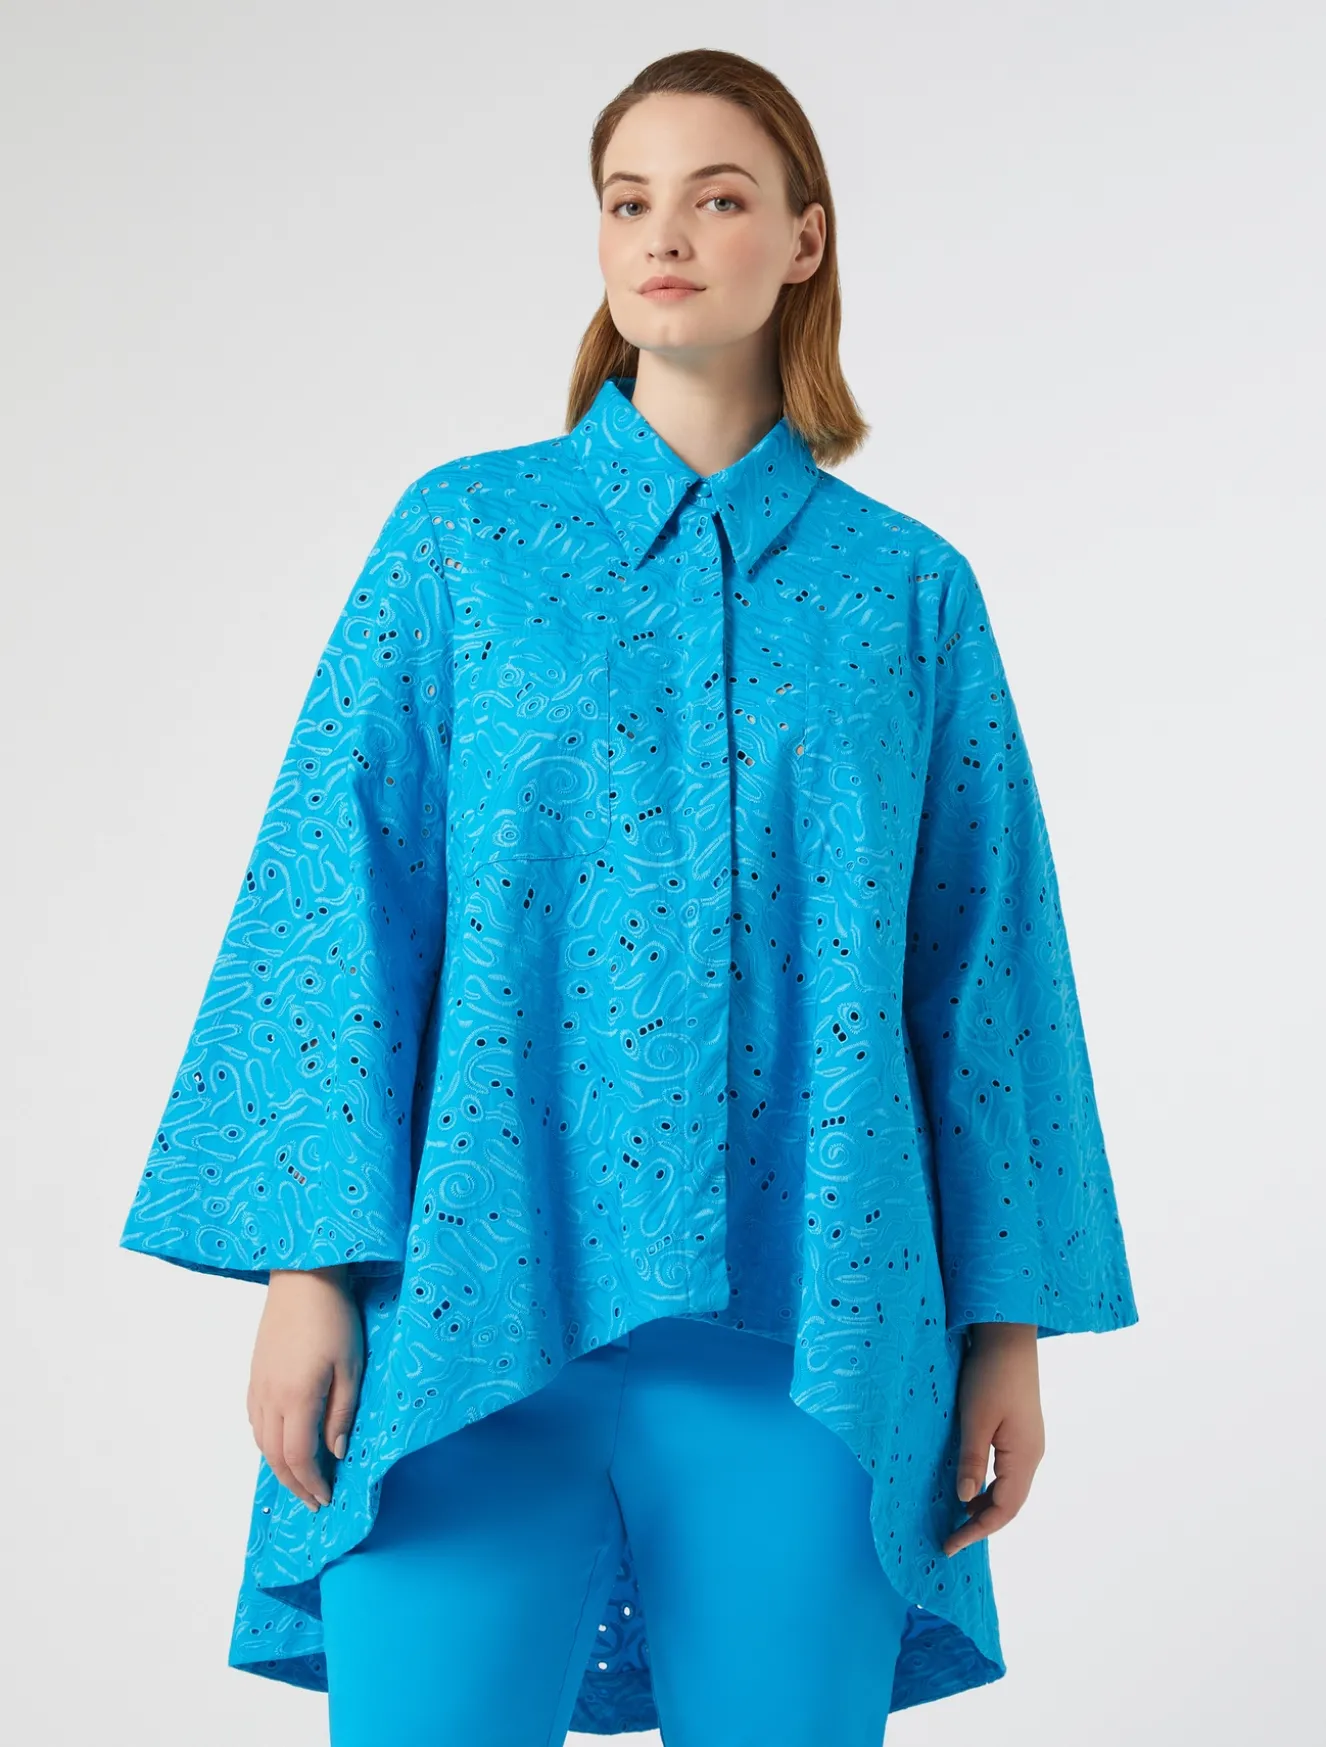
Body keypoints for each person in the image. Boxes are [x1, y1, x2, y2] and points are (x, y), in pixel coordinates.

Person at [119, 45, 1139, 1747]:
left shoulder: (907, 593)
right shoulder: (460, 542)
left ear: (802, 239)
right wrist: (308, 1268)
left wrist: (1003, 1331)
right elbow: (338, 893)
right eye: (627, 200)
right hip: (464, 1312)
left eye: (717, 198)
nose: (664, 234)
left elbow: (983, 965)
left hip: (815, 1345)